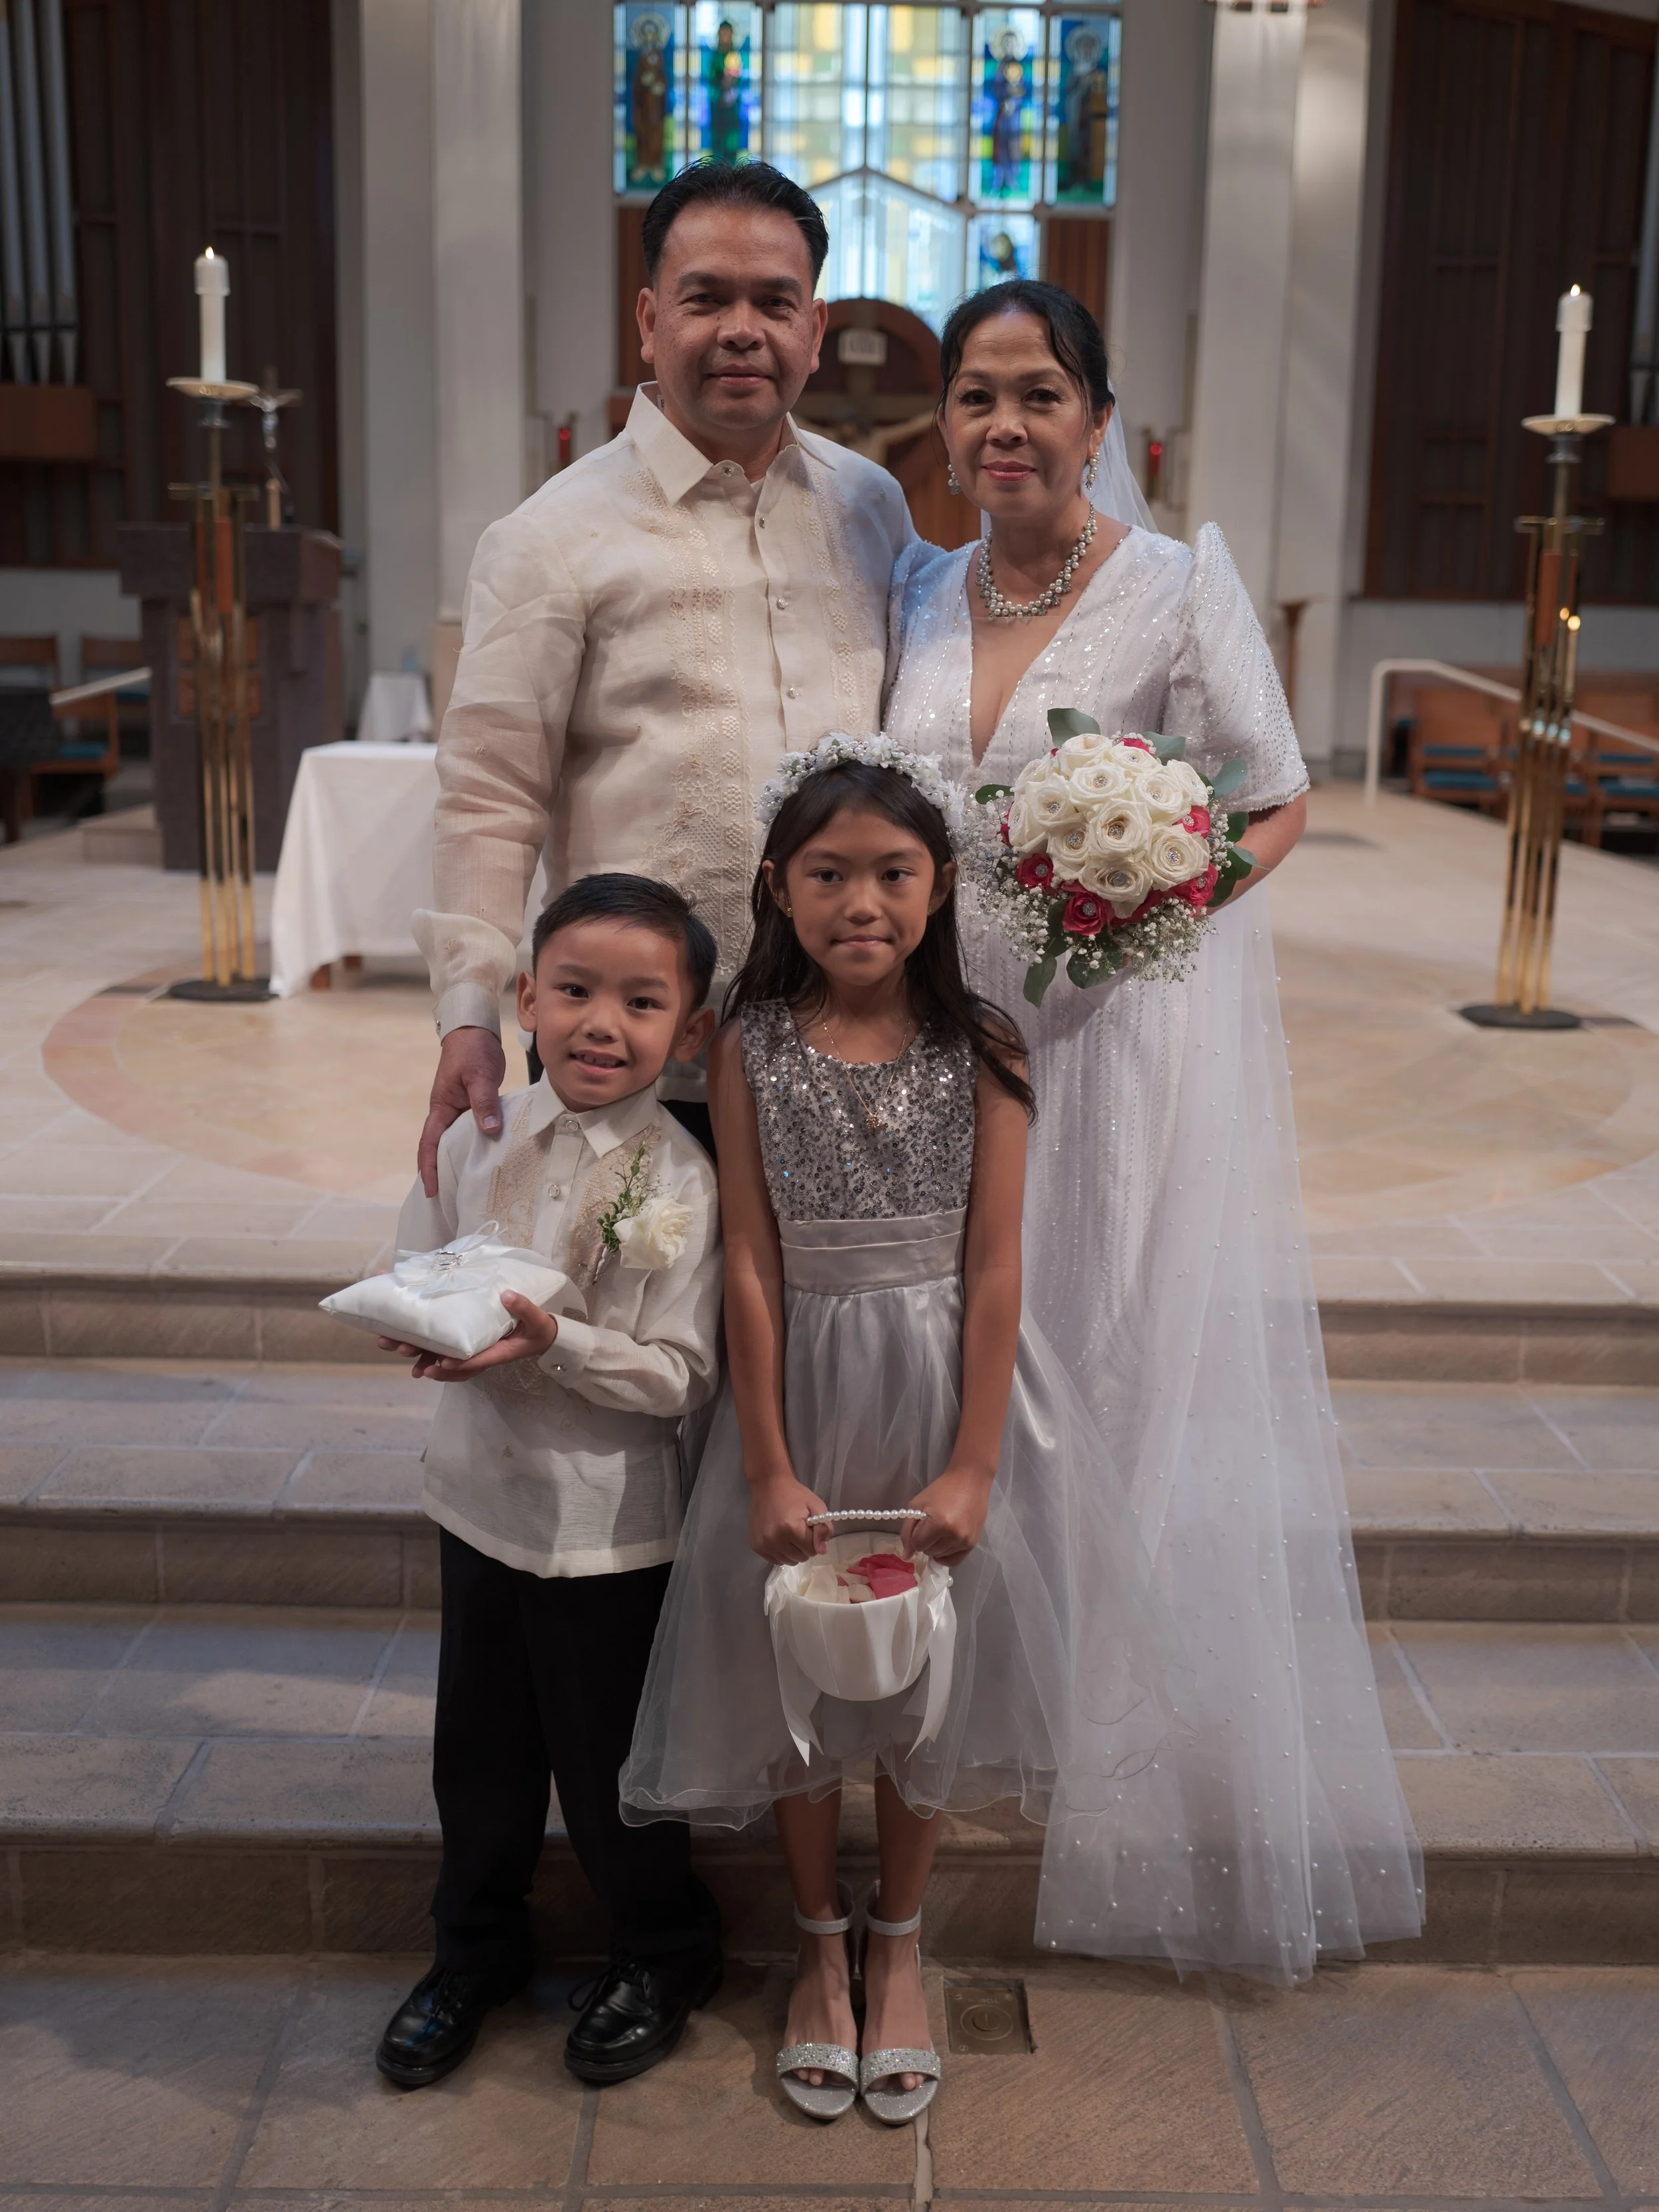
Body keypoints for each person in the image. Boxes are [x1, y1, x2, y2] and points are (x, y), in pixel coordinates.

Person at [883, 279, 1423, 1982]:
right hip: (939, 1028)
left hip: (1106, 1027)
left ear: (1097, 421)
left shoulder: (1178, 586)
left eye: (1038, 393)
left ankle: (1088, 1705)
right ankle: (960, 1668)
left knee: (1089, 1340)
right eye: (975, 395)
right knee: (956, 1341)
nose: (1004, 426)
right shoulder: (916, 585)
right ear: (943, 426)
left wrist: (1155, 898)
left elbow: (1273, 794)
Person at [620, 743, 1173, 2122]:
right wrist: (765, 1460)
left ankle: (901, 1940)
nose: (859, 901)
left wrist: (975, 1460)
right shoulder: (745, 1044)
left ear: (938, 885)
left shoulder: (984, 1044)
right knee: (798, 1665)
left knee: (931, 1667)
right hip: (802, 1385)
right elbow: (750, 1259)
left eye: (890, 872)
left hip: (944, 1388)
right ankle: (820, 1944)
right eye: (827, 873)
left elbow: (995, 1263)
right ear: (777, 886)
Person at [413, 159, 914, 1180]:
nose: (743, 330)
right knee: (636, 1293)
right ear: (649, 321)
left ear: (815, 329)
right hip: (639, 1055)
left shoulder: (873, 506)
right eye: (706, 298)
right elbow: (490, 795)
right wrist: (467, 1014)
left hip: (854, 1034)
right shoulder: (550, 535)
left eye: (775, 302)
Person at [375, 874, 725, 2092]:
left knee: (611, 1762)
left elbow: (683, 1375)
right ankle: (473, 1951)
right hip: (478, 1497)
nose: (600, 1023)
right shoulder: (476, 1136)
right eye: (574, 990)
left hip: (605, 1528)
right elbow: (419, 1254)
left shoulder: (683, 1179)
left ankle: (663, 1948)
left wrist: (556, 1342)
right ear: (526, 998)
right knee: (476, 1752)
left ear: (690, 1029)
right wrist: (410, 1314)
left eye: (642, 1001)